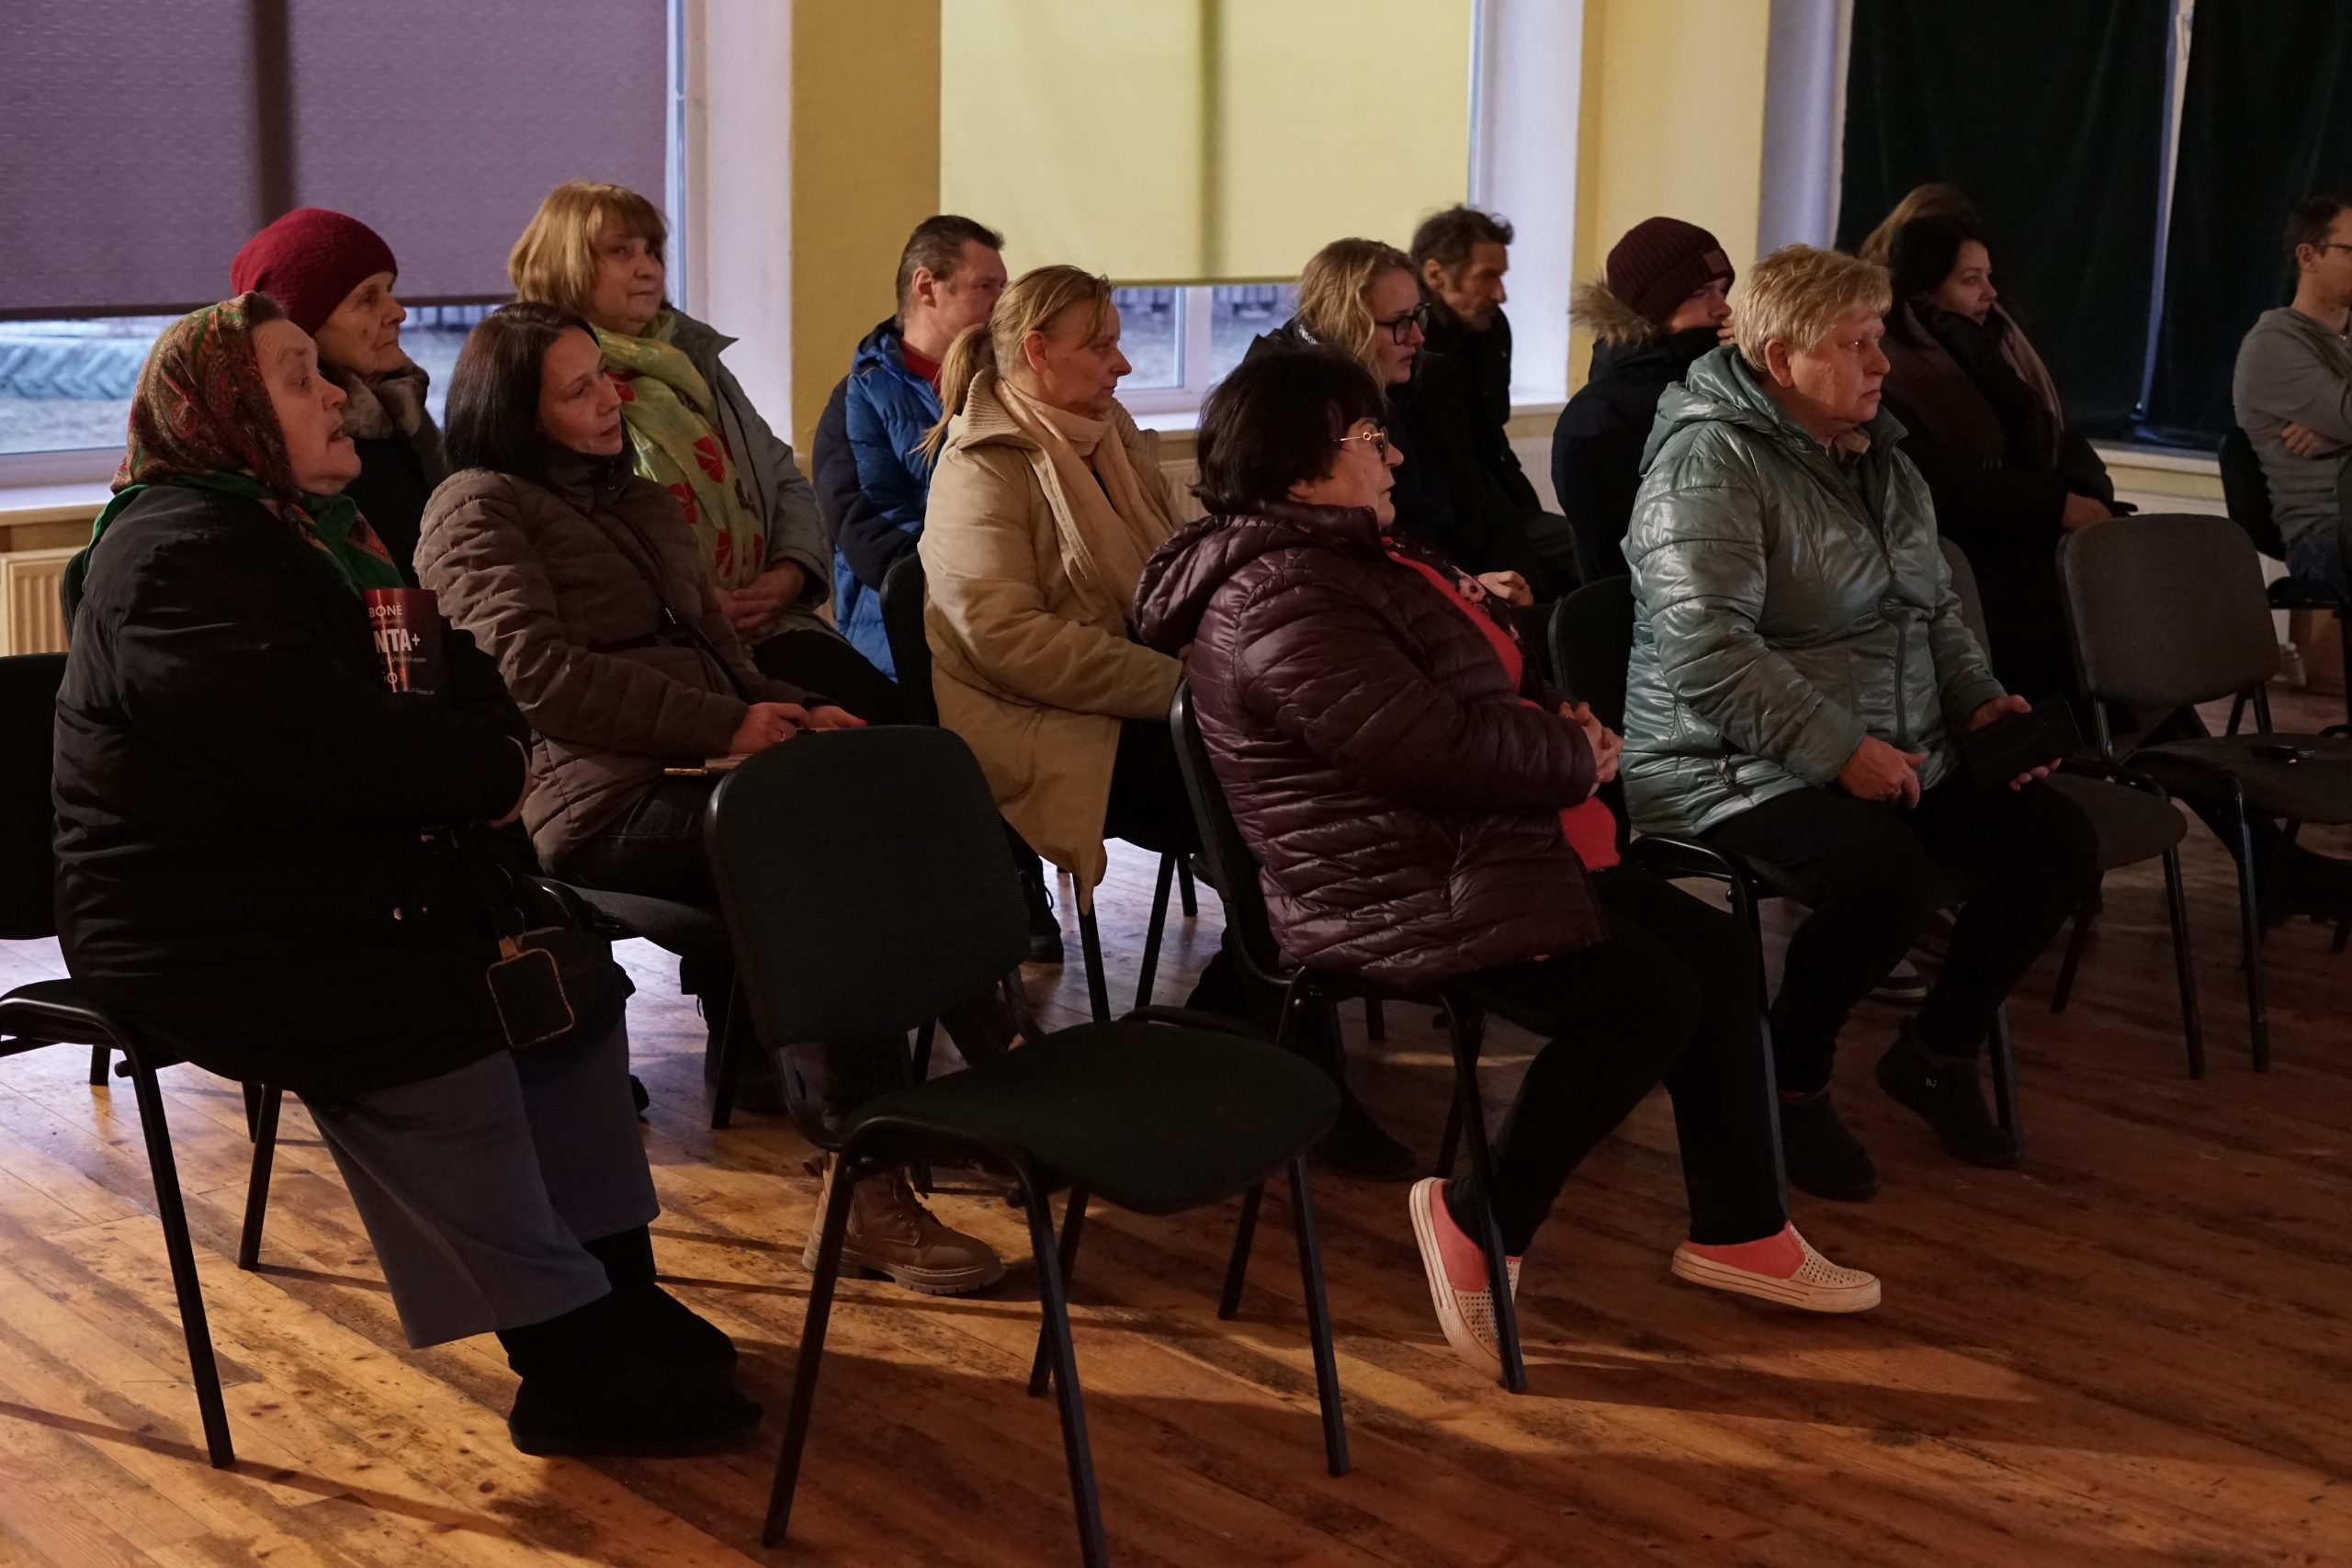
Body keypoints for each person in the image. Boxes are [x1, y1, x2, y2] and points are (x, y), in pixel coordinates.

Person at [51, 293, 761, 1456]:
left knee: (570, 983)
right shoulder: (174, 556)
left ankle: (615, 1283)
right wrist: (484, 768)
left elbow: (465, 669)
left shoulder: (314, 528)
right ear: (223, 414)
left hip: (338, 873)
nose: (335, 393)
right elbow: (321, 748)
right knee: (442, 1011)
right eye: (297, 378)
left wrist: (486, 755)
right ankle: (565, 1357)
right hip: (205, 925)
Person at [1133, 346, 1879, 1377]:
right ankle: (1480, 1221)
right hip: (1390, 881)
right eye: (1369, 436)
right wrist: (1570, 754)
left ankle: (1741, 1229)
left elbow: (1486, 675)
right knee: (1646, 1000)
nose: (1394, 453)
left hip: (1476, 840)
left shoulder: (1355, 554)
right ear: (1299, 464)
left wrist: (1562, 715)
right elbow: (1424, 746)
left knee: (1715, 955)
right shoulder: (1278, 596)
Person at [417, 302, 1006, 1299]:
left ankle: (995, 1093)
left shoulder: (639, 500)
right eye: (578, 390)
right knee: (818, 850)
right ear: (515, 414)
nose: (610, 398)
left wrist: (795, 707)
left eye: (604, 376)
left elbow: (725, 659)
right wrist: (731, 726)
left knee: (905, 794)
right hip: (598, 801)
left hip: (712, 772)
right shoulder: (477, 508)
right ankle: (867, 1190)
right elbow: (536, 681)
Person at [1621, 244, 2099, 1201]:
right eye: (1853, 344)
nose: (1880, 363)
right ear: (1779, 359)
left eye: (1878, 338)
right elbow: (1707, 652)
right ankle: (1789, 1078)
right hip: (1719, 758)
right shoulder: (1707, 464)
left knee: (2055, 845)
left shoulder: (1879, 454)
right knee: (1885, 876)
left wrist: (1977, 701)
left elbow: (1933, 609)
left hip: (1882, 737)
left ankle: (1934, 1054)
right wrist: (1840, 750)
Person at [508, 180, 901, 723]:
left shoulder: (691, 360)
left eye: (652, 251)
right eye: (621, 251)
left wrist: (789, 571)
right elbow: (577, 537)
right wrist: (692, 601)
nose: (647, 268)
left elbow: (780, 474)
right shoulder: (543, 383)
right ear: (565, 262)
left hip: (773, 622)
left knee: (897, 724)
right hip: (667, 643)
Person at [918, 265, 1195, 905]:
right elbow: (1008, 640)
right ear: (1038, 351)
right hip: (1041, 724)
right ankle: (1261, 960)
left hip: (1128, 698)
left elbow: (1182, 567)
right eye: (1100, 347)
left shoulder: (1111, 437)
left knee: (1288, 746)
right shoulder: (981, 464)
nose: (1123, 365)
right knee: (1258, 776)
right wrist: (1181, 684)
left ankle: (1270, 955)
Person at [1879, 214, 2122, 709]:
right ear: (1925, 289)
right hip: (1976, 547)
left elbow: (2063, 435)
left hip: (2036, 525)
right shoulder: (1894, 367)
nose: (1989, 292)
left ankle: (2135, 733)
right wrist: (2055, 506)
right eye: (1970, 280)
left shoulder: (2004, 347)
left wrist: (2087, 494)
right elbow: (1934, 482)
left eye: (1989, 276)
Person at [1250, 239, 1548, 601]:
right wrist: (1459, 586)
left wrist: (1517, 585)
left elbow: (1482, 508)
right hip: (1393, 591)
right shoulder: (1279, 399)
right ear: (1346, 323)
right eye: (1399, 322)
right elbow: (1341, 554)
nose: (1418, 337)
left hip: (1454, 576)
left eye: (1417, 316)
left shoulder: (1431, 380)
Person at [816, 214, 1007, 678]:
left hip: (1006, 619)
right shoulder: (860, 397)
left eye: (1004, 288)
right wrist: (985, 578)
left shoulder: (1005, 388)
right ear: (926, 287)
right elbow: (871, 536)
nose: (1002, 305)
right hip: (901, 643)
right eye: (985, 287)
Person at [230, 207, 447, 577]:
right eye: (367, 298)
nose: (398, 312)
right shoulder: (294, 457)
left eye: (389, 291)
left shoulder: (401, 406)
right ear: (303, 326)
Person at [1550, 217, 1736, 581]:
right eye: (1700, 293)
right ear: (1653, 307)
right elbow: (1627, 557)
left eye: (1722, 291)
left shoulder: (1708, 381)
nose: (1723, 309)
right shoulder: (1601, 415)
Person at [1408, 206, 1580, 593]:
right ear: (1435, 274)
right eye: (1486, 277)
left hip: (1499, 502)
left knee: (1592, 551)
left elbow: (1491, 432)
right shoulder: (1405, 345)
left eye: (1501, 276)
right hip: (1447, 523)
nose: (1501, 294)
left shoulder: (1490, 327)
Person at [2234, 192, 2352, 600]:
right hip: (2330, 533)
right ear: (2308, 256)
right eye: (2351, 251)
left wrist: (2336, 438)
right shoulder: (2274, 342)